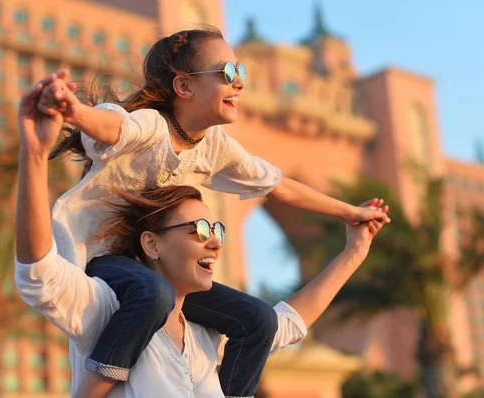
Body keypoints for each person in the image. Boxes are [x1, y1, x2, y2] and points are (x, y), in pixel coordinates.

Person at [35, 25, 390, 398]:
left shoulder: (216, 147)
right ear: (184, 87)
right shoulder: (151, 126)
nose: (239, 83)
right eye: (229, 74)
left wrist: (349, 211)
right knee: (153, 294)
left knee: (258, 321)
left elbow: (279, 186)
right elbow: (111, 126)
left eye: (243, 73)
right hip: (105, 258)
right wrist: (74, 111)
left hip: (160, 264)